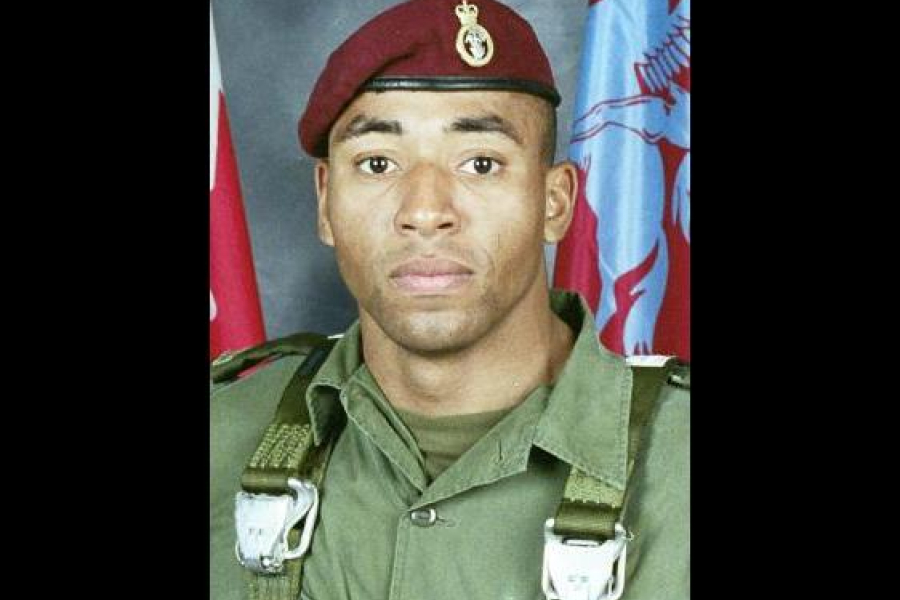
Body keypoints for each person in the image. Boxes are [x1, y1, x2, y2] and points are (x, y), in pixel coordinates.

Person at [210, 1, 689, 599]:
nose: (424, 211)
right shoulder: (222, 434)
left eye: (481, 164)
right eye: (378, 163)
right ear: (326, 201)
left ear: (556, 202)